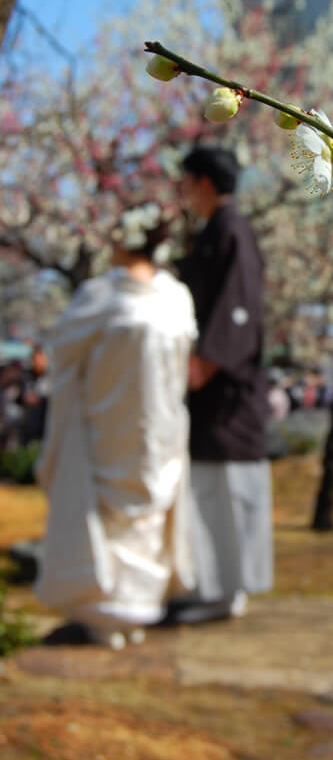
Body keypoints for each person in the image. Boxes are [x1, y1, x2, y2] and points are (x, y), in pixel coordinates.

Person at [35, 204, 197, 648]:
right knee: (109, 516)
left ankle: (135, 610)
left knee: (145, 516)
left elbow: (66, 351)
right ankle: (107, 614)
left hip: (150, 425)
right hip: (116, 422)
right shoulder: (123, 295)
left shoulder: (158, 295)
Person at [171, 144, 273, 623]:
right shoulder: (214, 230)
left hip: (227, 387)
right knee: (208, 489)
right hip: (212, 389)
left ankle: (229, 591)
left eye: (187, 182)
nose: (184, 193)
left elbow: (238, 309)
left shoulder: (231, 230)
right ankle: (212, 584)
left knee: (229, 490)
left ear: (204, 183)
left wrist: (206, 363)